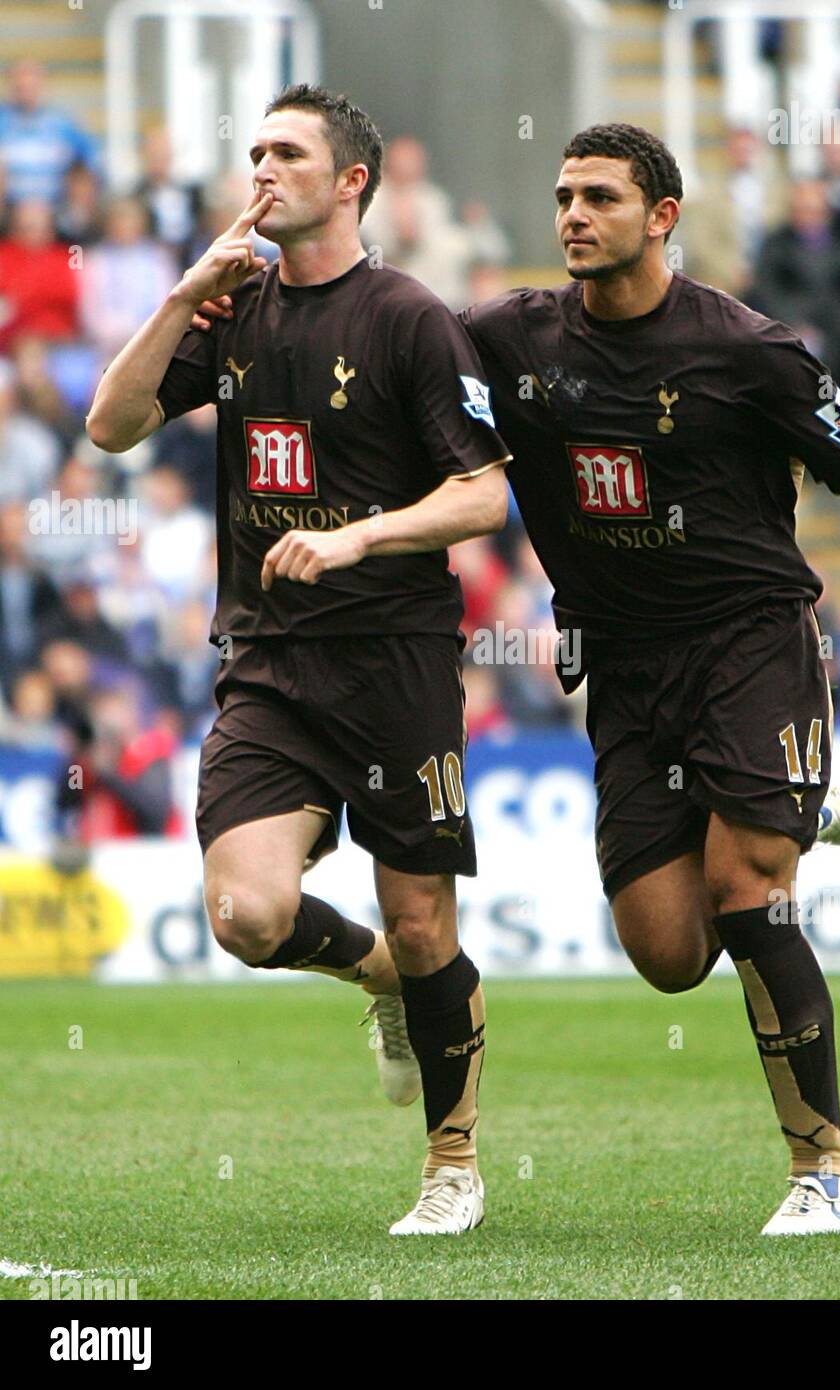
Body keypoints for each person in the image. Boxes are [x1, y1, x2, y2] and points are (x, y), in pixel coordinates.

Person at [452, 125, 840, 1237]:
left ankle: (824, 1165)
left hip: (750, 642)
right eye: (564, 196)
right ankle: (789, 800)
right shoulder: (506, 337)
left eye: (600, 198)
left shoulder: (751, 350)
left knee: (746, 887)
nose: (572, 215)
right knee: (667, 952)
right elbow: (392, 355)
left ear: (661, 215)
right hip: (621, 664)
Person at [85, 84, 512, 1236]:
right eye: (254, 151)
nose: (261, 170)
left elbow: (483, 489)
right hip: (269, 664)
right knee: (246, 913)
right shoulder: (230, 311)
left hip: (394, 660)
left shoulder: (410, 318)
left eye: (288, 153)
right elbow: (110, 426)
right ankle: (374, 979)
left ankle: (451, 1161)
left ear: (351, 180)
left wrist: (358, 535)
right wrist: (181, 298)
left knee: (429, 925)